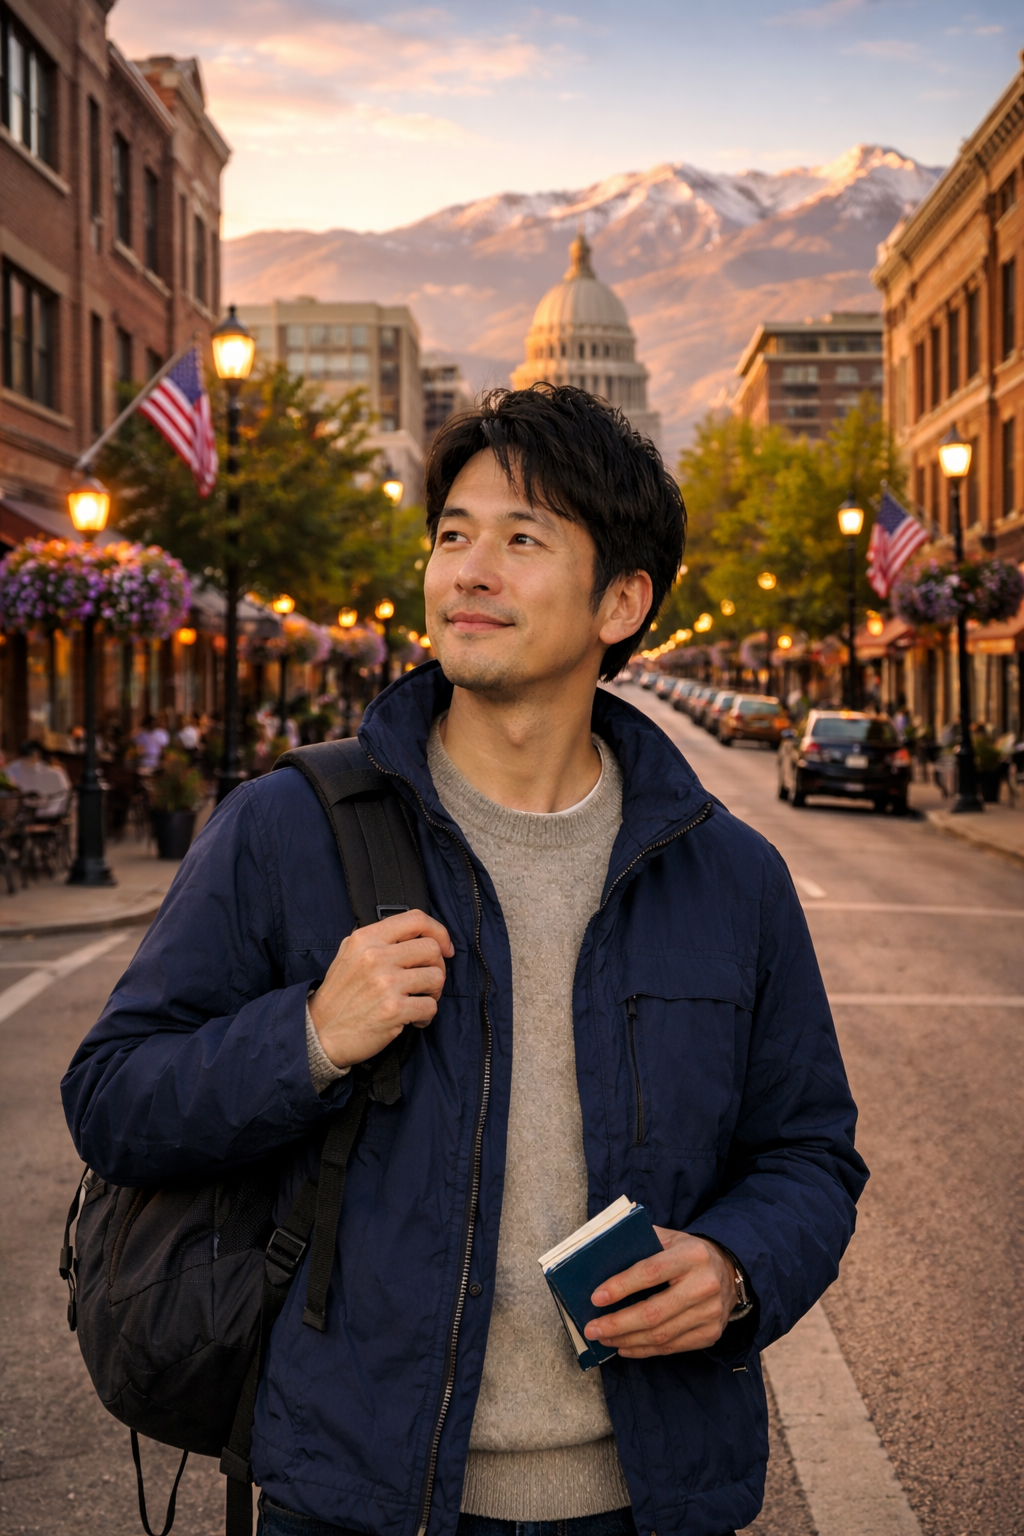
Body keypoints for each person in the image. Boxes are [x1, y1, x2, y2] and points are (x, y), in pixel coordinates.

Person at [63, 385, 867, 1536]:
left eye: (521, 539)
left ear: (622, 602)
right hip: (354, 1501)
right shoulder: (286, 828)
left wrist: (737, 1268)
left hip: (646, 1502)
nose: (467, 571)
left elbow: (808, 1154)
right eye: (452, 535)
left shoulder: (730, 877)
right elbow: (110, 1100)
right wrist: (306, 1040)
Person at [7, 740, 71, 817]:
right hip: (24, 812)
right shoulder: (13, 768)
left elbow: (64, 796)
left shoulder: (54, 773)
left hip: (49, 812)